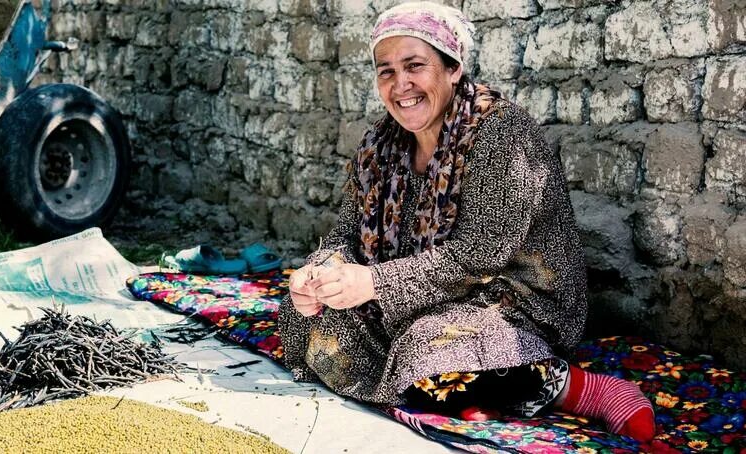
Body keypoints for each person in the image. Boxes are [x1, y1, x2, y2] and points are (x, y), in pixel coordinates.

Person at [278, 1, 655, 442]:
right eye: (386, 71)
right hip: (421, 291)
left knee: (426, 350)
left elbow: (481, 255)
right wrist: (319, 273)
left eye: (415, 66)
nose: (401, 85)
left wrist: (375, 284)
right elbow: (347, 233)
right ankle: (469, 388)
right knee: (305, 316)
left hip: (514, 299)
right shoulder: (381, 144)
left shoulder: (501, 134)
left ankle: (579, 389)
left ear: (453, 69)